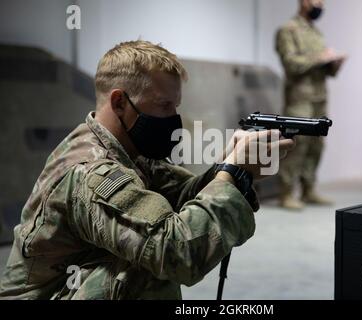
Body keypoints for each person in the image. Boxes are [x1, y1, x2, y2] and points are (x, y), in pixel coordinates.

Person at [0, 40, 294, 299]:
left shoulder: (129, 148)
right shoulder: (91, 172)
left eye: (175, 105)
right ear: (119, 102)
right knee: (144, 270)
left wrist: (231, 165)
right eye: (164, 105)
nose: (173, 118)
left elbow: (183, 196)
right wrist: (231, 172)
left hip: (72, 281)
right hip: (49, 294)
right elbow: (177, 252)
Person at [275, 0, 345, 210]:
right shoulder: (288, 30)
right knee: (297, 143)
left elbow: (325, 70)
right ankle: (286, 193)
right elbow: (291, 64)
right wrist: (321, 57)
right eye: (317, 1)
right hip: (300, 97)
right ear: (304, 2)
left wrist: (334, 64)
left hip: (319, 96)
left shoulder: (316, 33)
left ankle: (308, 190)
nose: (321, 5)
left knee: (316, 145)